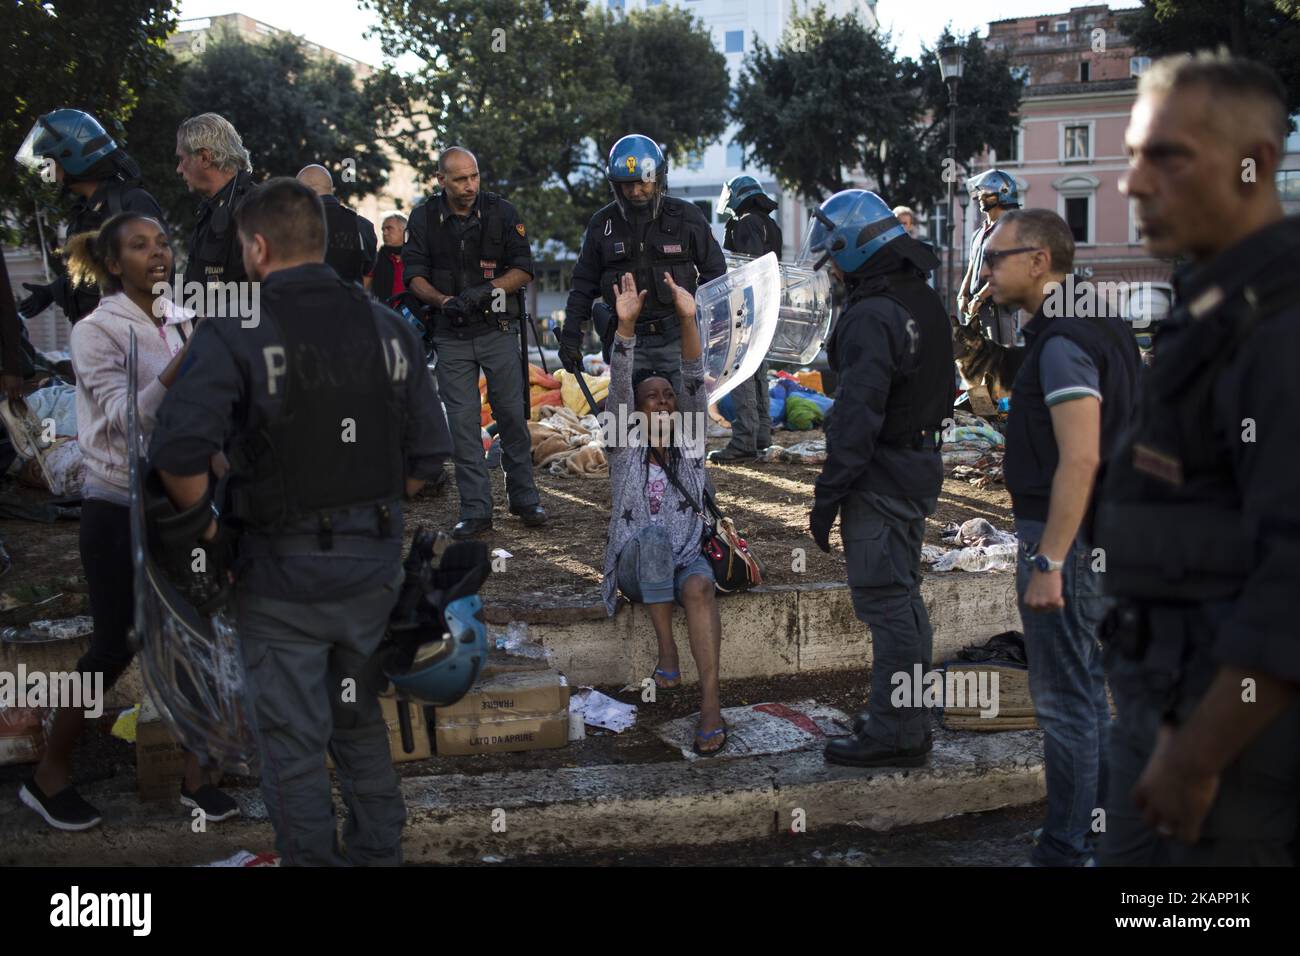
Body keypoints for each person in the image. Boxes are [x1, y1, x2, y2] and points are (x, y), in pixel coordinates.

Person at [147, 177, 452, 865]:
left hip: (278, 578)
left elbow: (175, 450)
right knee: (358, 723)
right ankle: (379, 855)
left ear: (257, 248)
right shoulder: (390, 326)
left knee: (291, 750)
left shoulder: (237, 330)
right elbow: (429, 460)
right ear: (319, 239)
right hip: (370, 571)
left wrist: (205, 530)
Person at [1095, 52, 1300, 866]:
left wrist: (1202, 752)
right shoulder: (1212, 305)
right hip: (1169, 705)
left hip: (1237, 745)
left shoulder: (1280, 328)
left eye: (1167, 156)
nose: (1133, 185)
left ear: (1260, 165)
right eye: (1131, 156)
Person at [16, 212, 239, 831]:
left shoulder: (177, 317)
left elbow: (199, 412)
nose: (158, 253)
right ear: (114, 264)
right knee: (114, 645)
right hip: (117, 505)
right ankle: (49, 774)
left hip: (184, 500)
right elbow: (125, 418)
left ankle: (198, 777)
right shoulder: (97, 331)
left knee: (194, 630)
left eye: (163, 242)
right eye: (140, 246)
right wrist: (187, 360)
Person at [980, 208, 1140, 866]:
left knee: (1068, 703)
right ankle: (1096, 831)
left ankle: (1064, 849)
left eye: (996, 258)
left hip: (1067, 546)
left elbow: (1081, 458)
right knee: (1091, 695)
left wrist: (1048, 559)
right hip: (1107, 540)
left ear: (1039, 262)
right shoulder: (1100, 322)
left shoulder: (1064, 339)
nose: (986, 271)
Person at [802, 190, 953, 768]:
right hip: (917, 467)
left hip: (883, 475)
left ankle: (895, 734)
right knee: (904, 599)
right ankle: (903, 718)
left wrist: (828, 494)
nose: (834, 269)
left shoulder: (872, 313)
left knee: (887, 604)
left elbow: (856, 418)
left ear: (857, 248)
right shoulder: (920, 298)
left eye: (836, 256)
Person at [601, 271, 725, 754]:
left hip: (686, 558)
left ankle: (711, 706)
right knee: (651, 540)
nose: (663, 400)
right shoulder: (622, 444)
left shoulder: (690, 444)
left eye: (667, 395)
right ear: (636, 409)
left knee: (698, 585)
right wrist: (625, 327)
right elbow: (617, 383)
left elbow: (694, 374)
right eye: (651, 396)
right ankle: (667, 653)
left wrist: (688, 317)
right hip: (637, 565)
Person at [401, 146, 544, 539]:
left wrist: (484, 291)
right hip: (450, 333)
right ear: (441, 179)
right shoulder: (424, 217)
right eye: (461, 179)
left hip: (498, 329)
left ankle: (525, 498)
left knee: (513, 416)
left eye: (475, 176)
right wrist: (444, 301)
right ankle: (476, 509)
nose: (470, 186)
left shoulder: (502, 212)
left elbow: (523, 269)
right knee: (463, 426)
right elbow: (413, 276)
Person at [560, 134, 726, 396]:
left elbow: (716, 274)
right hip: (626, 339)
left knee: (690, 417)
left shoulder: (688, 218)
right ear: (616, 185)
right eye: (627, 185)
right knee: (623, 424)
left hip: (678, 337)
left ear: (658, 179)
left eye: (643, 182)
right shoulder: (602, 225)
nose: (636, 191)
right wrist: (571, 336)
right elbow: (583, 285)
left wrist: (700, 319)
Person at [14, 109, 163, 324]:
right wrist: (53, 291)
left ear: (71, 156)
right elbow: (92, 273)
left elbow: (156, 272)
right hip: (94, 340)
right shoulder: (85, 212)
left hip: (130, 341)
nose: (48, 172)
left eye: (50, 162)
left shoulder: (131, 203)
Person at [709, 174, 781, 463]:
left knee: (740, 373)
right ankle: (762, 436)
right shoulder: (769, 224)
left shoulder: (747, 222)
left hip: (746, 308)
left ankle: (744, 441)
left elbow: (746, 267)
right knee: (758, 372)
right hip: (764, 306)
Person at [174, 113, 255, 301]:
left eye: (181, 159)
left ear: (204, 157)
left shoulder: (255, 209)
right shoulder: (213, 207)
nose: (178, 169)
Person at [958, 169, 1020, 345]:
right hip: (976, 309)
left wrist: (979, 298)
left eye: (986, 192)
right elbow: (971, 265)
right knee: (979, 364)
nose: (980, 197)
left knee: (1001, 364)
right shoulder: (979, 232)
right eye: (980, 192)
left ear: (1002, 195)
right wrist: (963, 293)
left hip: (997, 309)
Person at [296, 164, 378, 286]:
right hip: (349, 302)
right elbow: (368, 273)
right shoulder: (363, 225)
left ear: (306, 190)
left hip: (301, 301)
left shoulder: (291, 223)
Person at [369, 213, 408, 304]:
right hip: (384, 312)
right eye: (383, 230)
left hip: (412, 312)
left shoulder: (416, 256)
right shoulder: (376, 258)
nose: (385, 233)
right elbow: (364, 287)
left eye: (389, 228)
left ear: (403, 230)